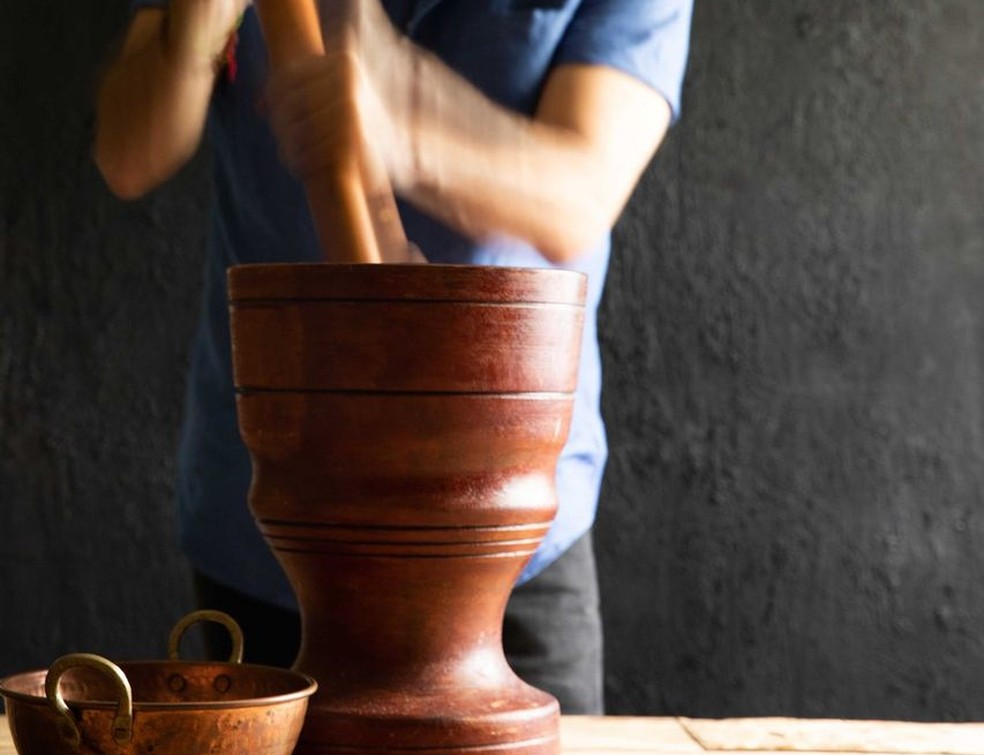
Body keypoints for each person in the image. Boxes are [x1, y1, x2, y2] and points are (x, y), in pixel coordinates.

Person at [93, 0, 693, 715]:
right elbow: (125, 156)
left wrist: (406, 125)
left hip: (506, 537)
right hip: (267, 525)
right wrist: (190, 40)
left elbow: (582, 192)